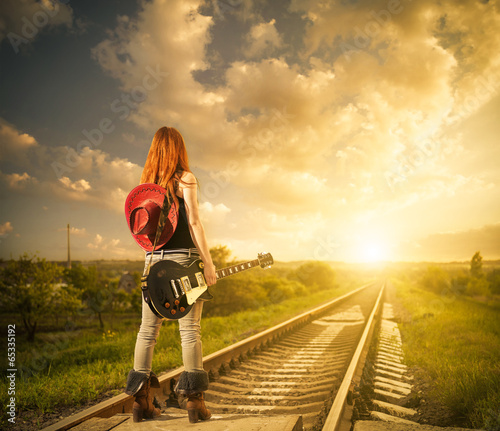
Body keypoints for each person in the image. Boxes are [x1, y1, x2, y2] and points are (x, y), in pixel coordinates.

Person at [124, 126, 217, 423]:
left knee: (147, 331)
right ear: (179, 149)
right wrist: (209, 263)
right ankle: (194, 402)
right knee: (190, 331)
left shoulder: (146, 187)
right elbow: (194, 223)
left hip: (152, 263)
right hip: (185, 263)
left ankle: (141, 403)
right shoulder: (185, 179)